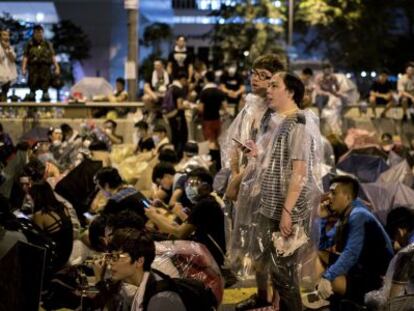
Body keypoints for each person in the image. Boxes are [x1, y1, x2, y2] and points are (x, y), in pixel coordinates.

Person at [248, 72, 321, 311]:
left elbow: (299, 171)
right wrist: (257, 155)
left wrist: (287, 212)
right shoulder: (281, 122)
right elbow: (276, 164)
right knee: (279, 274)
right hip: (273, 208)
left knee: (284, 276)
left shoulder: (298, 123)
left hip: (284, 211)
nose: (268, 90)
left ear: (290, 92)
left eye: (274, 86)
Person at [312, 176, 394, 306]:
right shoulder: (346, 216)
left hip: (379, 280)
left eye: (334, 193)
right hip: (361, 270)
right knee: (319, 255)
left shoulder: (358, 215)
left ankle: (340, 301)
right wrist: (323, 219)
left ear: (348, 197)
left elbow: (351, 253)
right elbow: (323, 245)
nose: (329, 198)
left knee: (332, 280)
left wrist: (327, 277)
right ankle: (326, 295)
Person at [145, 167, 226, 267]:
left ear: (206, 186)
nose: (189, 188)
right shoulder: (209, 200)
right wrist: (164, 208)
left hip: (212, 256)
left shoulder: (204, 204)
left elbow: (180, 233)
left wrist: (154, 216)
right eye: (188, 184)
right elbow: (192, 225)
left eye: (193, 184)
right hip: (208, 251)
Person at [94, 228, 187, 311]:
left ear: (139, 261)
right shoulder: (140, 281)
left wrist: (100, 281)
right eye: (110, 257)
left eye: (115, 257)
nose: (110, 263)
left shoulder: (161, 299)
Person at [30, 180, 73, 272]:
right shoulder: (63, 207)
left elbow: (35, 241)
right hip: (66, 254)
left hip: (54, 261)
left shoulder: (39, 215)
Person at [197, 70, 228, 171]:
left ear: (206, 79)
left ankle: (210, 166)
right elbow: (225, 107)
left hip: (207, 121)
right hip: (217, 120)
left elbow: (201, 109)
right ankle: (219, 165)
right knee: (217, 142)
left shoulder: (204, 92)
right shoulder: (219, 92)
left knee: (209, 143)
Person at [22, 24, 60, 102]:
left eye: (40, 32)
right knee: (32, 92)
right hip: (33, 69)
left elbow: (53, 56)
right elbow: (25, 57)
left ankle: (47, 112)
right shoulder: (29, 44)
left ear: (43, 33)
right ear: (34, 33)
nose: (39, 34)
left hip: (45, 69)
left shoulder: (47, 44)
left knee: (45, 93)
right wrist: (23, 68)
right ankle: (32, 112)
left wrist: (57, 67)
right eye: (37, 32)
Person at [164, 72, 189, 157]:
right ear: (182, 79)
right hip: (178, 117)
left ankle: (174, 157)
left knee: (174, 138)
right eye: (185, 81)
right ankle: (178, 157)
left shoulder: (170, 88)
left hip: (171, 116)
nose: (186, 83)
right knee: (182, 138)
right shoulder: (179, 90)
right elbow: (179, 106)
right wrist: (188, 106)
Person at [0, 29, 17, 102]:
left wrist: (8, 49)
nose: (6, 37)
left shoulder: (10, 47)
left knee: (5, 93)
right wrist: (3, 48)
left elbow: (13, 59)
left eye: (7, 35)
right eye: (4, 35)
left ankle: (4, 110)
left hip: (8, 73)